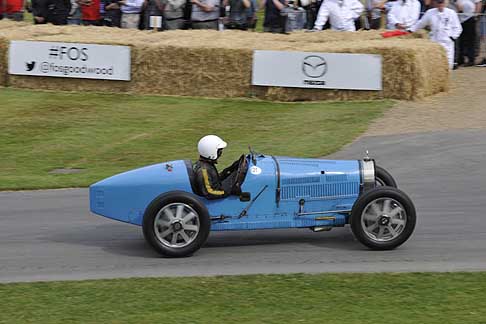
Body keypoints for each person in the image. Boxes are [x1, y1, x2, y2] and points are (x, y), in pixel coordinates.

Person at [410, 0, 462, 69]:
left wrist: (452, 37)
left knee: (448, 64)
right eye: (438, 2)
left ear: (446, 3)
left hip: (447, 43)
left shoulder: (451, 13)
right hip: (434, 42)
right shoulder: (430, 13)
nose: (440, 4)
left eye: (442, 2)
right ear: (435, 3)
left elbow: (458, 28)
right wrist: (411, 30)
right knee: (434, 63)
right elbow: (421, 23)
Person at [193, 135, 241, 200]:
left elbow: (214, 181)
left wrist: (227, 171)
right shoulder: (203, 170)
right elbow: (209, 192)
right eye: (219, 151)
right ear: (211, 152)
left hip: (218, 190)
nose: (220, 153)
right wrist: (228, 191)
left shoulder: (207, 164)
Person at [456, 0, 482, 66]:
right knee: (461, 41)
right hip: (460, 19)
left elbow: (478, 3)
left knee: (471, 41)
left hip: (470, 18)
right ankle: (460, 59)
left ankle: (471, 60)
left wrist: (475, 16)